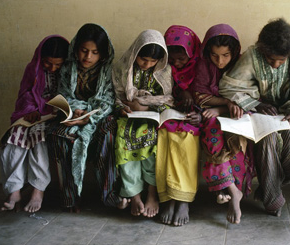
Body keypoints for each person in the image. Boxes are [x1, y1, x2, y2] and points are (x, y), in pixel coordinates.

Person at [219, 18, 290, 217]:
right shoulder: (252, 55)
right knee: (268, 140)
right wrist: (256, 104)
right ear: (262, 49)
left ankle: (269, 186)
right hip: (259, 114)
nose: (275, 64)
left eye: (281, 60)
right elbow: (229, 85)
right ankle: (271, 198)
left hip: (289, 115)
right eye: (270, 58)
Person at [46, 23, 118, 213]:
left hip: (98, 119)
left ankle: (109, 195)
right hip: (72, 117)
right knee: (58, 135)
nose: (88, 57)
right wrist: (73, 110)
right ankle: (70, 198)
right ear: (75, 49)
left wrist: (88, 117)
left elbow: (109, 101)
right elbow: (61, 96)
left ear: (103, 53)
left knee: (109, 130)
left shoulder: (109, 71)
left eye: (94, 52)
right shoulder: (67, 68)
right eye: (84, 51)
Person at [0, 35, 68, 212]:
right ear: (40, 58)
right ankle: (14, 190)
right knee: (13, 139)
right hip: (32, 115)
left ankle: (38, 190)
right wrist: (30, 110)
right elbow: (25, 94)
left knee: (39, 141)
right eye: (47, 63)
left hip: (52, 117)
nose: (53, 68)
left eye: (57, 65)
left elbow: (68, 96)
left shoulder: (69, 71)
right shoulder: (33, 69)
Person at [194, 23, 252, 224]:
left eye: (225, 55)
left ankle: (228, 188)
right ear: (207, 52)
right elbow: (200, 96)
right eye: (215, 55)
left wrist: (223, 109)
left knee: (236, 139)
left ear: (234, 52)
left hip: (237, 115)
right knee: (212, 132)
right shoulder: (203, 65)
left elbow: (250, 95)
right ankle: (231, 190)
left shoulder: (243, 64)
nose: (220, 61)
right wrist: (226, 103)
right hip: (213, 114)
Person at [113, 29, 172, 218]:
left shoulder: (163, 71)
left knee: (153, 144)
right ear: (135, 53)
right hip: (127, 117)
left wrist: (145, 105)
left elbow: (168, 99)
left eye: (153, 61)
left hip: (151, 119)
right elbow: (114, 96)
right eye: (143, 59)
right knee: (123, 143)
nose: (148, 64)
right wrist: (123, 107)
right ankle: (135, 195)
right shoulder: (122, 68)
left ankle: (152, 194)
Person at [157, 25, 203, 226]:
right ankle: (167, 197)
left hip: (194, 120)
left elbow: (211, 95)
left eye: (181, 59)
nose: (176, 63)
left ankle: (183, 198)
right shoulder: (161, 68)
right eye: (172, 58)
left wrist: (198, 111)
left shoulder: (201, 68)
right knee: (163, 139)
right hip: (168, 116)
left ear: (191, 54)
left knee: (185, 140)